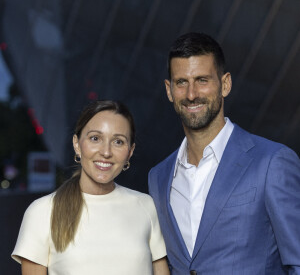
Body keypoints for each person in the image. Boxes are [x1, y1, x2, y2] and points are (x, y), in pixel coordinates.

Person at [148, 32, 300, 274]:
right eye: (181, 82)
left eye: (202, 80)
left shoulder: (272, 162)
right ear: (169, 90)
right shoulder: (158, 178)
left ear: (225, 84)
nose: (191, 94)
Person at [12, 100, 170, 275]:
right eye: (95, 138)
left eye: (118, 142)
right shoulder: (42, 212)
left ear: (130, 152)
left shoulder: (146, 206)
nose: (106, 152)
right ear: (77, 145)